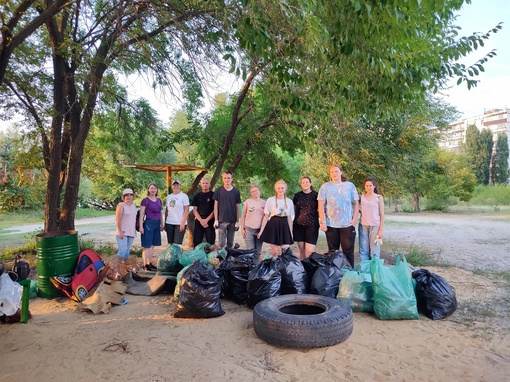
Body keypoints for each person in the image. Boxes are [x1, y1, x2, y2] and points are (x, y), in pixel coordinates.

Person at [317, 164, 359, 267]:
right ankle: (334, 275)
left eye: (336, 171)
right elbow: (321, 205)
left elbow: (356, 202)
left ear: (341, 172)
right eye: (332, 172)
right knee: (332, 253)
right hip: (331, 225)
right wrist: (322, 222)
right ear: (330, 174)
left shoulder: (349, 186)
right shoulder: (325, 187)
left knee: (348, 252)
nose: (334, 173)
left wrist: (354, 219)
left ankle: (349, 275)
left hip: (347, 225)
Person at [258, 179, 294, 257]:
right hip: (273, 224)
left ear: (285, 189)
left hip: (284, 225)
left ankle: (285, 268)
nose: (280, 190)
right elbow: (266, 216)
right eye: (278, 188)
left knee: (286, 251)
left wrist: (291, 232)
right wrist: (261, 231)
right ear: (275, 188)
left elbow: (289, 218)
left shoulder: (289, 201)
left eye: (282, 188)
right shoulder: (270, 200)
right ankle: (275, 267)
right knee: (274, 252)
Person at [139, 183, 164, 271]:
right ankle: (145, 264)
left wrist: (162, 224)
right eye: (151, 188)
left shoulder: (159, 200)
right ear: (148, 189)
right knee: (147, 246)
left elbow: (160, 213)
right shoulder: (145, 200)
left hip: (157, 224)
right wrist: (141, 226)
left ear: (157, 190)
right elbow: (141, 214)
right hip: (148, 223)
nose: (153, 190)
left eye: (155, 188)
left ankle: (149, 263)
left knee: (153, 245)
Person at [292, 176, 319, 260]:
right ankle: (303, 270)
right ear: (301, 184)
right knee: (302, 250)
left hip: (312, 226)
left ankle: (310, 269)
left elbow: (320, 209)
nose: (305, 184)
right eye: (303, 182)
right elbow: (293, 209)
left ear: (310, 183)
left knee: (309, 251)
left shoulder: (316, 195)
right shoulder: (297, 196)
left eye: (307, 182)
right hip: (298, 225)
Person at [213, 170, 241, 248]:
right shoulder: (218, 190)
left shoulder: (236, 191)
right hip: (221, 221)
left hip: (232, 220)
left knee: (230, 243)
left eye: (228, 178)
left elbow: (237, 207)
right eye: (225, 178)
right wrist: (216, 219)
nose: (227, 180)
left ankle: (228, 259)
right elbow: (215, 206)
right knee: (221, 244)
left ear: (232, 179)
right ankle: (222, 259)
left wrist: (237, 221)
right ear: (222, 179)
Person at [358, 178, 385, 261]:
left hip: (375, 226)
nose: (369, 187)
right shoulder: (361, 197)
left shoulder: (379, 197)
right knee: (363, 248)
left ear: (374, 186)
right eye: (367, 186)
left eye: (370, 186)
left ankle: (375, 268)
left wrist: (381, 230)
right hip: (363, 225)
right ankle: (365, 268)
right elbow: (356, 209)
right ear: (364, 187)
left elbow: (382, 214)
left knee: (374, 249)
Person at [240, 185, 266, 257]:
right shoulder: (248, 202)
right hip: (248, 230)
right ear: (250, 193)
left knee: (258, 252)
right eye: (252, 192)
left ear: (259, 191)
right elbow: (243, 216)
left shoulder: (265, 203)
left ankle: (257, 267)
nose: (255, 193)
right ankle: (251, 268)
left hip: (259, 231)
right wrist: (242, 228)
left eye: (256, 190)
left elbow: (265, 218)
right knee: (250, 252)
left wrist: (261, 231)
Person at [191, 177, 216, 248]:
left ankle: (211, 257)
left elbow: (215, 209)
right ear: (200, 184)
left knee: (210, 241)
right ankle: (196, 256)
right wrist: (201, 220)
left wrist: (206, 220)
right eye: (203, 183)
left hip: (210, 220)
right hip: (199, 220)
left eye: (206, 183)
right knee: (197, 240)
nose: (205, 185)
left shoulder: (213, 195)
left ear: (210, 184)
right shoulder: (197, 196)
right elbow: (195, 210)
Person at [164, 179, 190, 247]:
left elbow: (186, 210)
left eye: (177, 185)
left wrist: (183, 223)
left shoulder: (184, 196)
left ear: (180, 186)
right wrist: (165, 223)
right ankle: (171, 257)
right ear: (172, 186)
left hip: (179, 223)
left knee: (177, 244)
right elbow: (167, 210)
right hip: (169, 222)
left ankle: (177, 257)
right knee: (170, 244)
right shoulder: (169, 197)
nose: (176, 186)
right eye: (174, 185)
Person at [115, 188, 137, 260]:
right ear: (123, 197)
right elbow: (118, 219)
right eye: (126, 195)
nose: (129, 197)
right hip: (123, 231)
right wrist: (120, 231)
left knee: (127, 251)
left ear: (133, 197)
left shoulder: (133, 206)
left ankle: (124, 268)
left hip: (131, 231)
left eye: (131, 195)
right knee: (122, 250)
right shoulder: (121, 205)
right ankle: (117, 268)